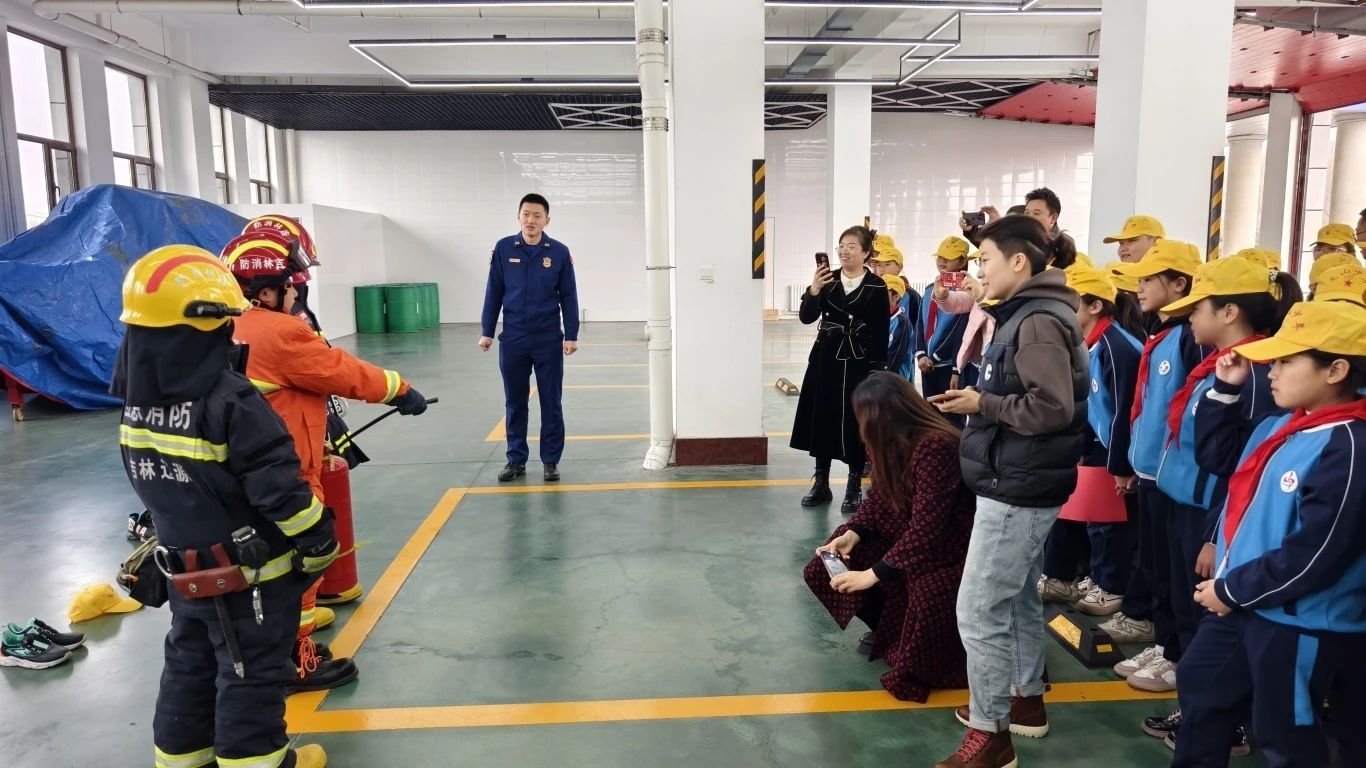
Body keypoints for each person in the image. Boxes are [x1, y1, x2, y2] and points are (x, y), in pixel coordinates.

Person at [113, 246, 332, 768]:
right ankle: (260, 761)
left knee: (189, 666)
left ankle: (182, 759)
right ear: (206, 322)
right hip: (249, 579)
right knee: (250, 672)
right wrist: (319, 539)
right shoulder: (230, 400)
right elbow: (277, 488)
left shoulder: (135, 403)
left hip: (182, 570)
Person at [222, 230, 429, 693]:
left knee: (264, 570)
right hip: (287, 471)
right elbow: (339, 370)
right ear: (265, 291)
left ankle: (273, 650)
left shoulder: (225, 326)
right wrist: (399, 389)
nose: (297, 294)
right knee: (301, 561)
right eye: (290, 286)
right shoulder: (279, 332)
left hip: (243, 472)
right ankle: (296, 661)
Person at [1172, 301, 1366, 766]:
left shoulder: (1349, 446)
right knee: (1201, 683)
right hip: (1248, 600)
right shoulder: (1284, 425)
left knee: (1285, 732)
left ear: (1336, 370)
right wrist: (1224, 390)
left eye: (1285, 362)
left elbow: (1317, 552)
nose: (1272, 372)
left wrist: (1232, 590)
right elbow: (1221, 461)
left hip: (1297, 619)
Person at [931, 215, 1089, 768]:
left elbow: (1052, 408)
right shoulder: (1029, 313)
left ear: (1018, 261)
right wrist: (983, 399)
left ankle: (989, 734)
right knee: (1017, 595)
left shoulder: (1037, 320)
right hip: (1021, 476)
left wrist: (985, 404)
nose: (979, 271)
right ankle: (1024, 699)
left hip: (1019, 484)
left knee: (978, 611)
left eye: (985, 260)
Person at [1145, 257, 1298, 704]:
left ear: (1229, 312)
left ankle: (1213, 715)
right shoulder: (1222, 365)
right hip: (1185, 503)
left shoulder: (1257, 376)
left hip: (1209, 516)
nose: (1190, 317)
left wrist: (1215, 537)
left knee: (1203, 619)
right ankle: (1193, 704)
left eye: (1197, 308)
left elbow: (1241, 468)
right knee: (1183, 606)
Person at [803, 372, 975, 701]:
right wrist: (854, 532)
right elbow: (879, 499)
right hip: (911, 536)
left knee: (927, 591)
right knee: (825, 564)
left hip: (950, 549)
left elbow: (928, 531)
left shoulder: (936, 447)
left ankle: (914, 647)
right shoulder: (886, 441)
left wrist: (873, 573)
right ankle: (892, 631)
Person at [1037, 265, 1145, 616]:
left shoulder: (1118, 347)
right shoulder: (1089, 343)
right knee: (1094, 519)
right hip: (1098, 443)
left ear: (1095, 306)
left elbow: (1125, 411)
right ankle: (1098, 579)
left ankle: (1112, 588)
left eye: (1070, 302)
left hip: (1115, 448)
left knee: (1111, 525)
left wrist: (1121, 464)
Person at [480, 193, 580, 483]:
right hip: (513, 338)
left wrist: (571, 335)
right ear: (518, 217)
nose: (531, 220)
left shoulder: (559, 252)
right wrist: (487, 331)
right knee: (515, 402)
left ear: (547, 220)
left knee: (551, 401)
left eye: (537, 215)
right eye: (526, 214)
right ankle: (516, 460)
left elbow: (569, 296)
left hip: (548, 338)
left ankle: (550, 461)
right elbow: (494, 292)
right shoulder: (503, 248)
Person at [791, 225, 890, 515]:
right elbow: (806, 318)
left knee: (857, 420)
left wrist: (878, 370)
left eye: (852, 247)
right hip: (826, 357)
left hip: (859, 360)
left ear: (866, 253)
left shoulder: (876, 286)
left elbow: (881, 331)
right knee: (822, 415)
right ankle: (821, 482)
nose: (844, 251)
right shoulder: (828, 279)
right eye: (841, 246)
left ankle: (853, 485)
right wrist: (813, 290)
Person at [916, 236, 974, 407]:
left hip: (949, 365)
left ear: (962, 261)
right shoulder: (929, 290)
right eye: (940, 257)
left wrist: (935, 358)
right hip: (927, 365)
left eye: (948, 258)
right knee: (930, 412)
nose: (942, 262)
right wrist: (921, 354)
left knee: (951, 414)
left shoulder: (966, 293)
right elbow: (920, 325)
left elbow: (959, 332)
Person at [870, 234, 921, 340]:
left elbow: (919, 327)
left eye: (887, 263)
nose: (881, 268)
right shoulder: (870, 290)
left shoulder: (910, 295)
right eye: (878, 264)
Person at [884, 275, 913, 380]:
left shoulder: (901, 322)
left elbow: (895, 357)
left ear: (896, 297)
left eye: (883, 292)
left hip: (894, 380)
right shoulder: (879, 318)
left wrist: (880, 377)